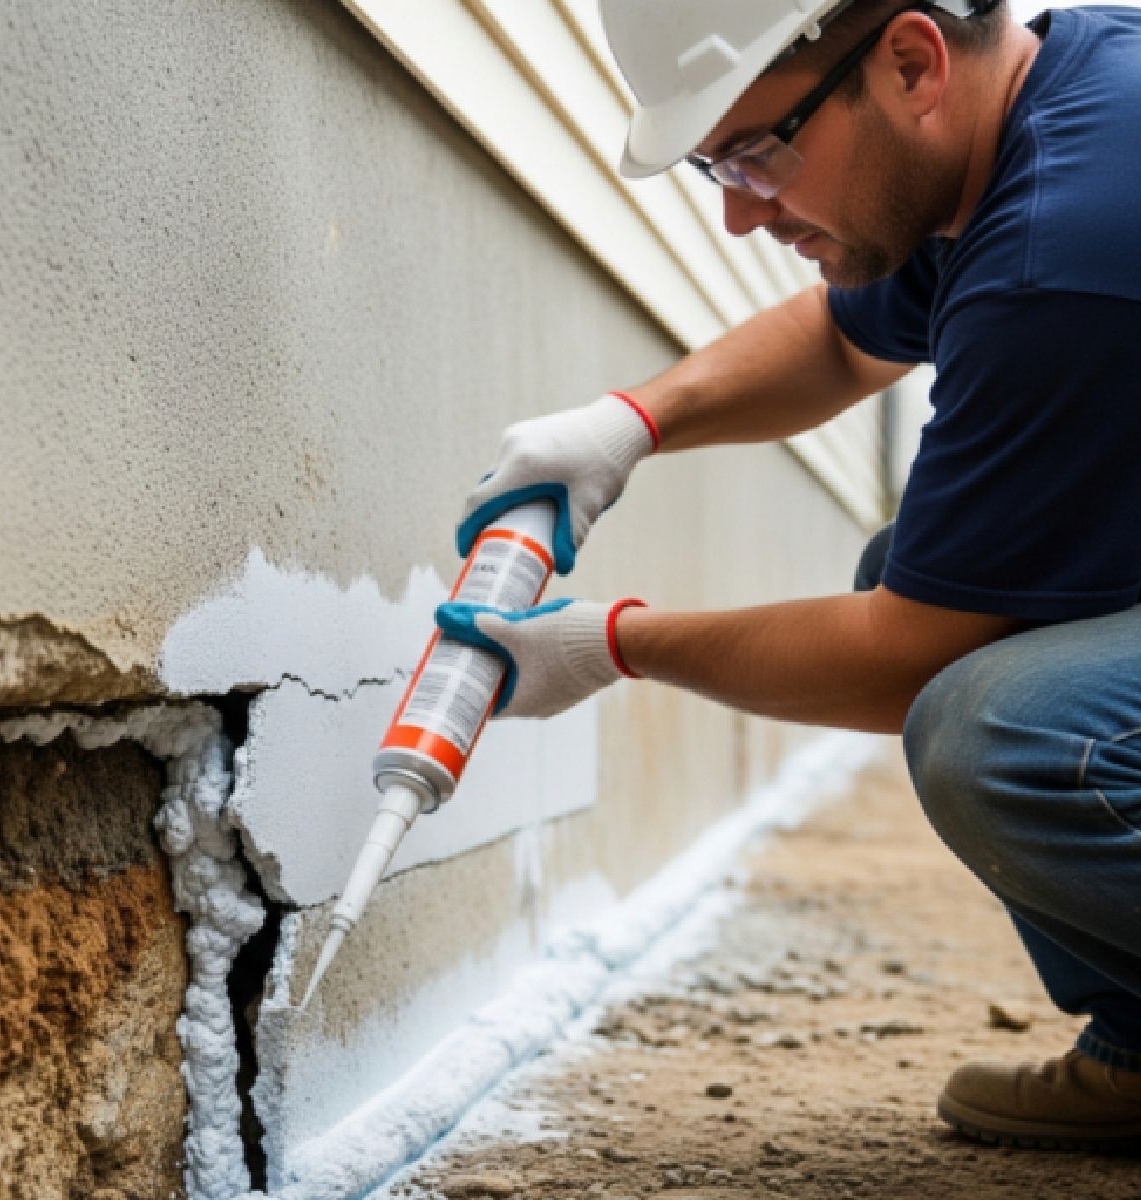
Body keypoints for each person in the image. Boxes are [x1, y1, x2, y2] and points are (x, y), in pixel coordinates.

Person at [437, 0, 1141, 1152]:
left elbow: (900, 660)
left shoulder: (1057, 257)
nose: (732, 215)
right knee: (936, 587)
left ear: (911, 60)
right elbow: (839, 341)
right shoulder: (1040, 107)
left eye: (754, 153)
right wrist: (628, 424)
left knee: (999, 726)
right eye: (714, 163)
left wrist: (615, 642)